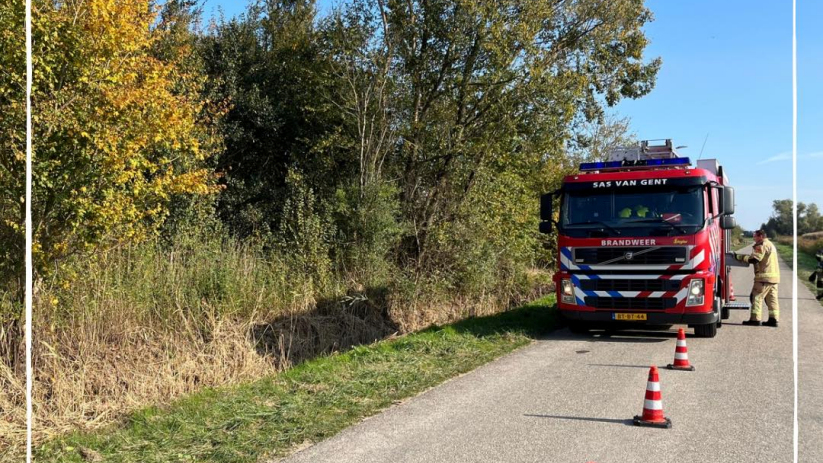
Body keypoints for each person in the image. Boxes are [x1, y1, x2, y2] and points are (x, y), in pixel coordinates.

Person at [734, 230, 780, 327]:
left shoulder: (761, 245)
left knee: (756, 298)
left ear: (761, 236)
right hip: (774, 278)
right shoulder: (770, 244)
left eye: (755, 236)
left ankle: (755, 319)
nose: (754, 238)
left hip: (763, 278)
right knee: (772, 300)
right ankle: (773, 320)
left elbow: (754, 259)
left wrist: (740, 257)